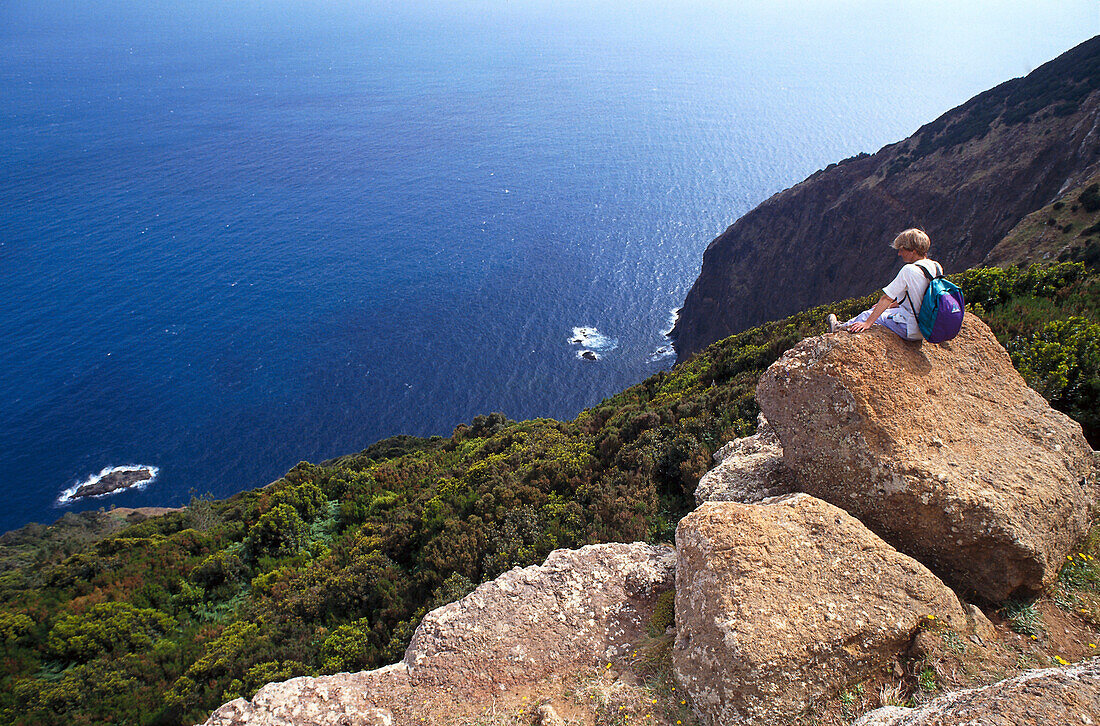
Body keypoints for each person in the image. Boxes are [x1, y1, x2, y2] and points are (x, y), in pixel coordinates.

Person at [827, 228, 941, 341]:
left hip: (909, 328)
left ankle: (839, 329)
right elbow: (921, 296)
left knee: (866, 315)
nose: (899, 253)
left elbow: (886, 298)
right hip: (926, 326)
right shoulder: (935, 266)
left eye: (902, 249)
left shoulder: (909, 270)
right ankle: (846, 324)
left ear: (913, 251)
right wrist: (891, 306)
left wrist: (867, 323)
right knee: (881, 311)